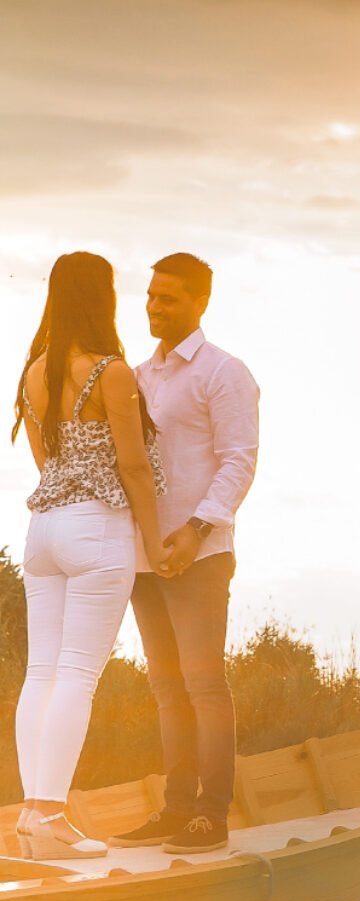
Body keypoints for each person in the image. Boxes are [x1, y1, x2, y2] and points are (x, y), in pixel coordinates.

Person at [12, 252, 170, 860]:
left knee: (42, 672)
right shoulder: (111, 372)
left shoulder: (34, 372)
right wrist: (154, 541)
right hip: (97, 526)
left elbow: (46, 463)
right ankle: (51, 815)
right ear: (103, 297)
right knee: (78, 673)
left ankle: (34, 812)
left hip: (44, 528)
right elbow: (132, 465)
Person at [110, 253, 259, 854]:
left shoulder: (225, 373)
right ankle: (175, 811)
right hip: (146, 554)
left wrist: (196, 529)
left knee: (203, 684)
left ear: (200, 302)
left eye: (167, 298)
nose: (153, 306)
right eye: (149, 296)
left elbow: (239, 461)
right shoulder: (139, 376)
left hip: (199, 552)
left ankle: (210, 815)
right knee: (167, 689)